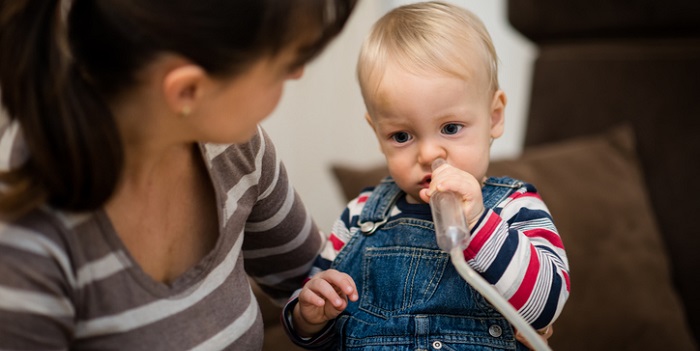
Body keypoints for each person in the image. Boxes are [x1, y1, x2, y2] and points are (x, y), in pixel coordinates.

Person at [0, 0, 357, 350]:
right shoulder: (22, 243)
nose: (297, 74)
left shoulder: (235, 150)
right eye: (285, 65)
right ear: (187, 91)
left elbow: (320, 280)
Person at [282, 2, 570, 350]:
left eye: (450, 128)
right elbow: (325, 323)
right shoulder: (360, 215)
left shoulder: (514, 208)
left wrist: (479, 223)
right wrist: (307, 316)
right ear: (378, 134)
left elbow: (546, 306)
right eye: (402, 136)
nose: (429, 154)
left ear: (493, 117)